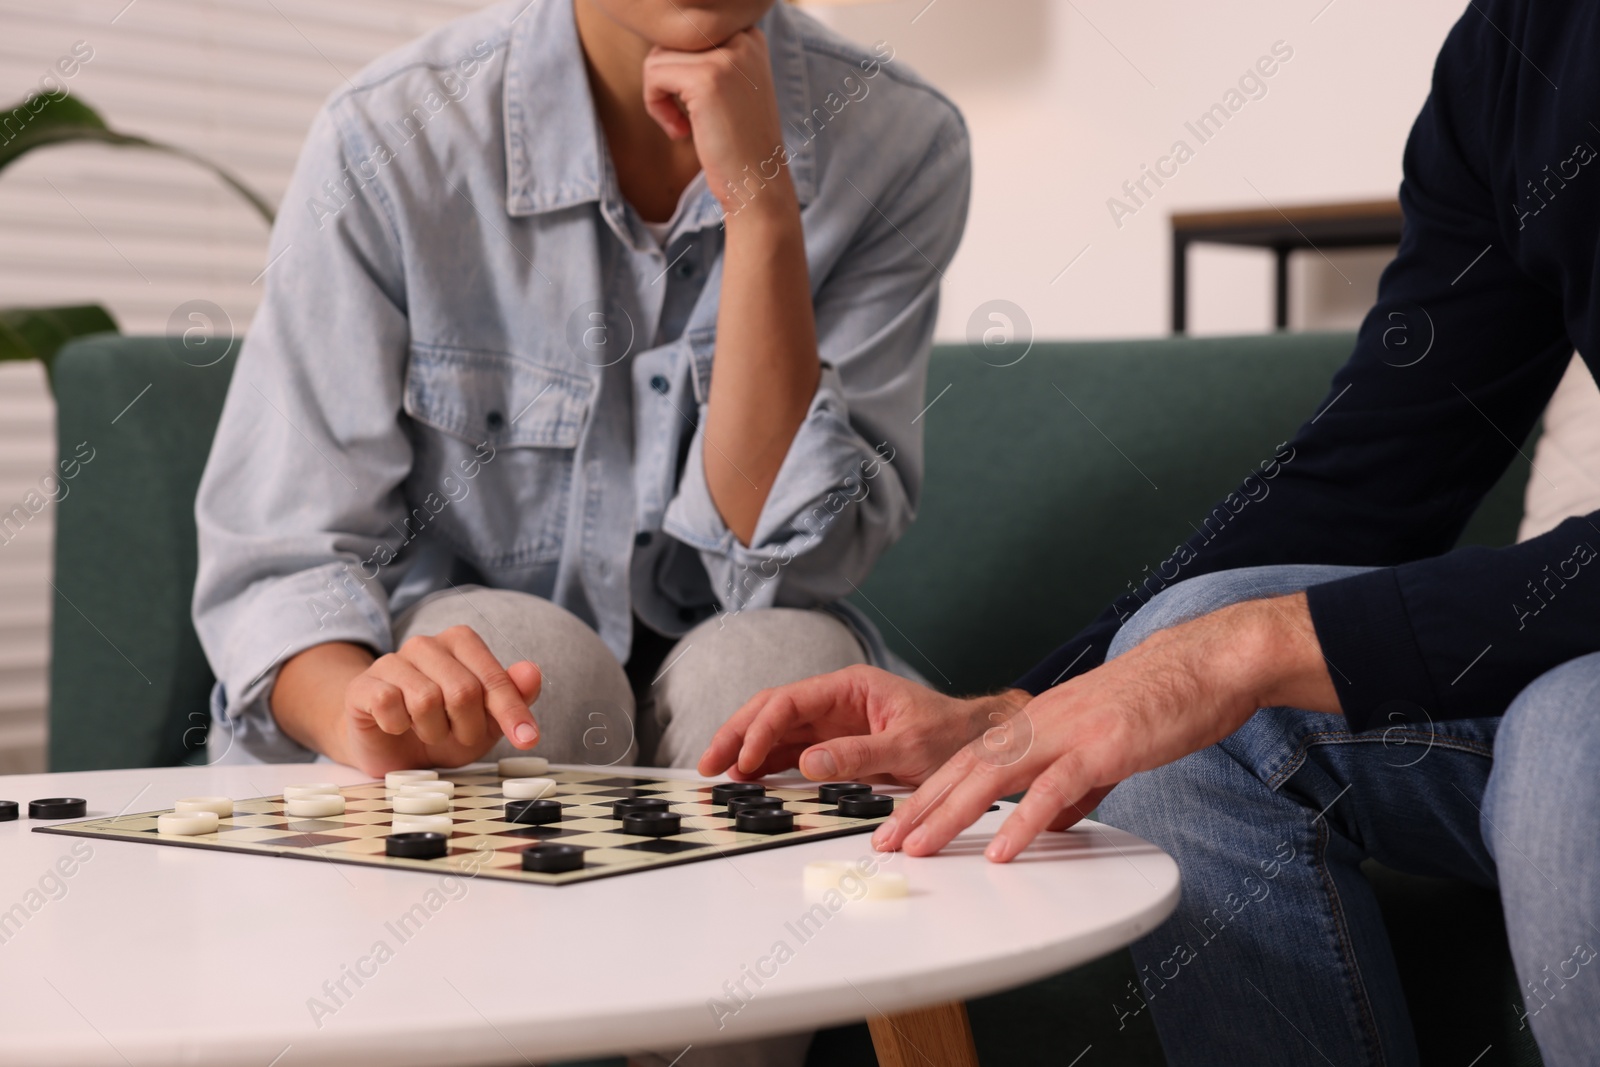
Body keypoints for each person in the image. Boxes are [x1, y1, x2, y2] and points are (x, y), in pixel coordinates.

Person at [699, 1, 1600, 1063]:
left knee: (1567, 733)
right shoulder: (1521, 43)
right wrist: (1028, 710)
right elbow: (1382, 466)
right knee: (1187, 679)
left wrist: (1254, 649)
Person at [192, 0, 969, 790]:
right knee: (518, 663)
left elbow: (793, 558)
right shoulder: (389, 133)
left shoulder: (903, 144)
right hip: (475, 672)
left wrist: (761, 211)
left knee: (774, 678)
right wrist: (366, 712)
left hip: (746, 649)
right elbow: (283, 565)